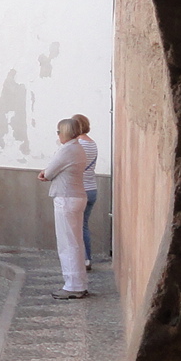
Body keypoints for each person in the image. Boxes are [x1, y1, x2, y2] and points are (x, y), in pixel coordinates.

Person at [39, 119, 90, 299]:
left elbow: (49, 172)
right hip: (77, 196)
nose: (58, 135)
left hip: (66, 198)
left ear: (65, 132)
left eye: (59, 131)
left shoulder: (67, 150)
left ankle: (73, 285)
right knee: (75, 242)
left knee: (67, 244)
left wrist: (45, 173)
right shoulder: (78, 148)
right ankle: (79, 283)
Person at [74, 113, 99, 267]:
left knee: (76, 226)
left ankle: (82, 259)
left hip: (80, 189)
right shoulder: (92, 143)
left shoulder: (78, 145)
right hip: (92, 188)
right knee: (83, 225)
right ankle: (87, 258)